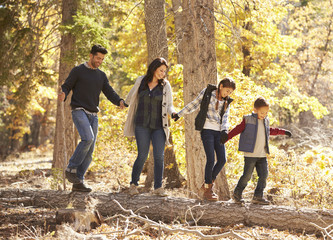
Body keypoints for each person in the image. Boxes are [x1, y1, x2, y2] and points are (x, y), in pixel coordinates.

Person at [58, 44, 125, 192]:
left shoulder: (101, 75)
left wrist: (119, 101)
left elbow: (109, 91)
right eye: (97, 58)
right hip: (79, 110)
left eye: (102, 59)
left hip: (94, 115)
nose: (99, 61)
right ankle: (71, 169)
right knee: (87, 138)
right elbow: (67, 85)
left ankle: (78, 182)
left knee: (90, 151)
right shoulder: (78, 71)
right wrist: (63, 92)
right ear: (91, 55)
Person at [172, 78, 236, 201]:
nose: (227, 94)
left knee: (222, 159)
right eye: (227, 91)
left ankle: (207, 183)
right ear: (221, 86)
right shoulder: (207, 93)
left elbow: (226, 119)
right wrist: (179, 114)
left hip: (219, 132)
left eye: (230, 92)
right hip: (207, 131)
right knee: (211, 159)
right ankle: (208, 190)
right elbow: (194, 104)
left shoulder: (227, 101)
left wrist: (224, 131)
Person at [224, 97, 292, 205]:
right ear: (255, 110)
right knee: (247, 175)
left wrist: (283, 132)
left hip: (262, 155)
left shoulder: (265, 121)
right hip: (250, 154)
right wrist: (226, 137)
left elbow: (270, 131)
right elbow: (237, 129)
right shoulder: (248, 119)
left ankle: (258, 196)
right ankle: (237, 193)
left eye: (266, 113)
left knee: (264, 175)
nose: (264, 114)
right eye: (262, 112)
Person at [124, 57, 176, 197]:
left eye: (164, 71)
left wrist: (173, 113)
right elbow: (131, 96)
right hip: (141, 124)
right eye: (160, 70)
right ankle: (133, 185)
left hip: (158, 126)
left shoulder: (165, 86)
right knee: (142, 155)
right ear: (154, 69)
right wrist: (122, 102)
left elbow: (169, 105)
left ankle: (158, 188)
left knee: (159, 156)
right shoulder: (141, 81)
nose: (162, 74)